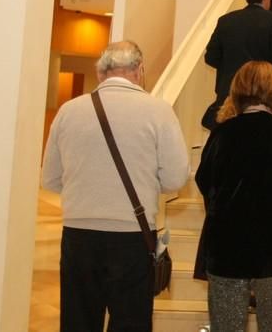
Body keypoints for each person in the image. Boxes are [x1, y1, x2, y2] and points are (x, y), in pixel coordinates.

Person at [42, 41, 189, 332]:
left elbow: (50, 178)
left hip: (78, 233)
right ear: (139, 70)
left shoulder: (69, 111)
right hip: (132, 235)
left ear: (100, 74)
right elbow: (175, 178)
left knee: (78, 321)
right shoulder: (159, 112)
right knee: (130, 322)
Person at [195, 61, 272, 332]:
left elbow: (204, 181)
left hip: (227, 245)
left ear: (237, 90)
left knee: (226, 326)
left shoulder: (222, 134)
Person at [204, 0, 272, 129]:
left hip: (229, 97)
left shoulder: (226, 21)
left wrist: (230, 68)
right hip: (262, 97)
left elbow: (210, 57)